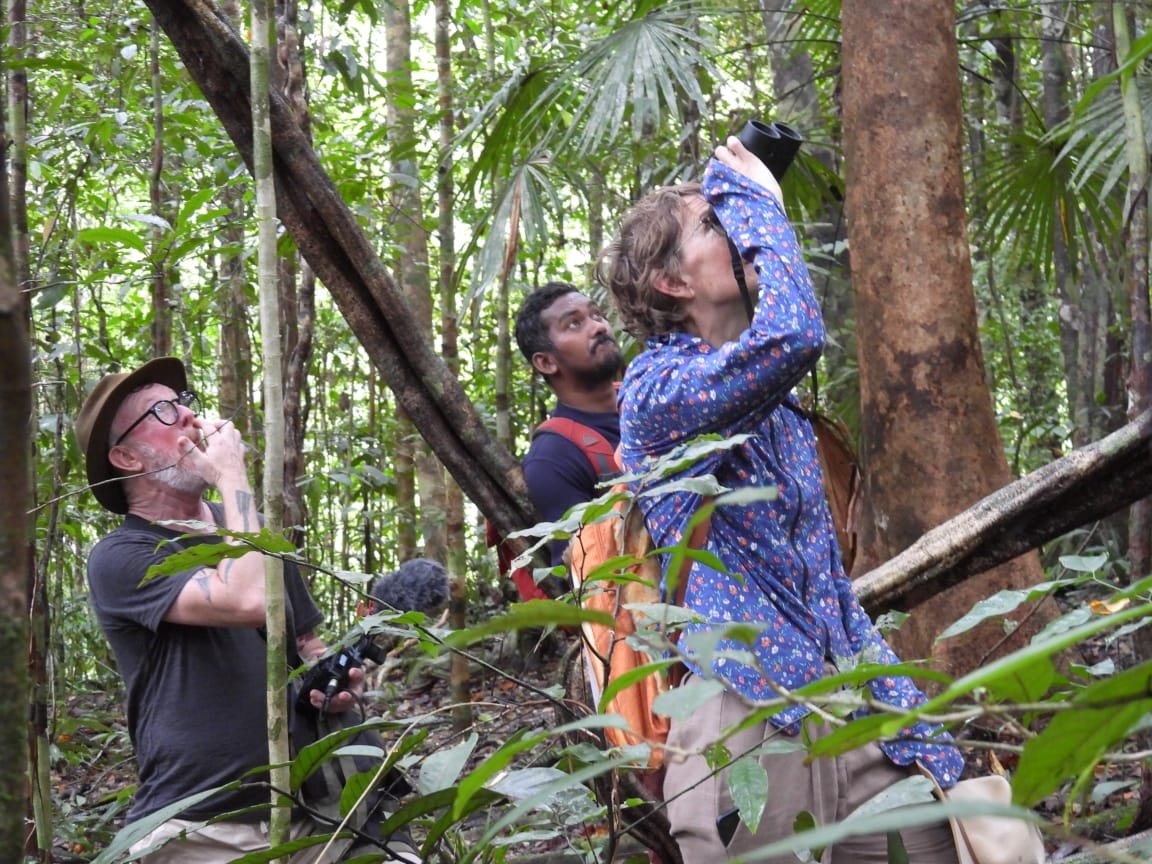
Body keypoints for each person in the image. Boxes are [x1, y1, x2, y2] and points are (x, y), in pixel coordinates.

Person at [595, 140, 965, 862]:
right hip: (746, 707)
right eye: (715, 222)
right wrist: (758, 199)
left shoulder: (782, 408)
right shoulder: (657, 392)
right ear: (671, 283)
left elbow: (823, 577)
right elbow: (796, 332)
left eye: (733, 215)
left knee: (939, 845)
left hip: (846, 692)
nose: (735, 228)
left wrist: (898, 701)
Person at [75, 357, 417, 864]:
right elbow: (245, 598)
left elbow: (305, 644)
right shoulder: (121, 557)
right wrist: (231, 471)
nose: (189, 417)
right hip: (205, 829)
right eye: (163, 411)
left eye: (184, 404)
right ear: (125, 457)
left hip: (326, 808)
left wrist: (335, 687)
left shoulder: (252, 533)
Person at [513, 281, 624, 569]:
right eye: (574, 324)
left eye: (597, 315)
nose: (598, 327)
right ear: (546, 362)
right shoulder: (553, 458)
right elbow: (588, 576)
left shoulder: (649, 397)